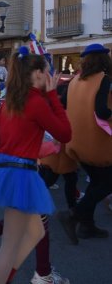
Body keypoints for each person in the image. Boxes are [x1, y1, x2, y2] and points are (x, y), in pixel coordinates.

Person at [0, 46, 71, 284]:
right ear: (37, 74)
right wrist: (51, 96)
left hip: (10, 171)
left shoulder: (11, 101)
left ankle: (11, 277)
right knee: (9, 244)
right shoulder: (37, 101)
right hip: (21, 174)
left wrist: (21, 144)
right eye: (47, 72)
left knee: (36, 232)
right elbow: (65, 133)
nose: (50, 77)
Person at [58, 43, 112, 244]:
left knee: (97, 182)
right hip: (95, 145)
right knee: (107, 183)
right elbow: (102, 112)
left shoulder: (74, 80)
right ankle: (74, 215)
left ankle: (87, 226)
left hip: (75, 143)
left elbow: (62, 103)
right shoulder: (103, 80)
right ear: (103, 60)